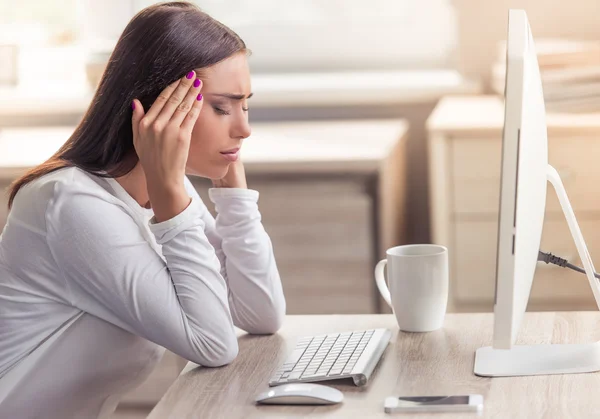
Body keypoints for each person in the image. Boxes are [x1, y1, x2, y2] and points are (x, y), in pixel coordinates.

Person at [0, 2, 286, 417]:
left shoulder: (162, 191)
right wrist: (171, 195)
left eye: (245, 106)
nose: (243, 128)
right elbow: (213, 343)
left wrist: (232, 191)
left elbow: (261, 314)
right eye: (223, 107)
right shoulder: (71, 204)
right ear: (156, 109)